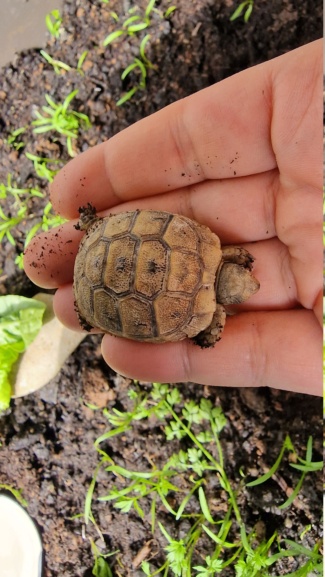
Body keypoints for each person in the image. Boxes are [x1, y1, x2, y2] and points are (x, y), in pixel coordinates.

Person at [24, 40, 322, 396]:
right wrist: (208, 336)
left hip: (110, 243)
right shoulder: (204, 313)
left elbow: (214, 312)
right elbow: (208, 333)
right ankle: (91, 300)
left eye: (243, 279)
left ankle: (94, 231)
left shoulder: (210, 252)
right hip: (105, 279)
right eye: (246, 275)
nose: (251, 282)